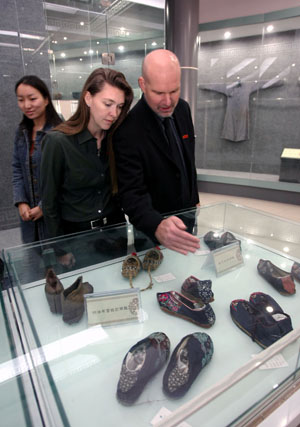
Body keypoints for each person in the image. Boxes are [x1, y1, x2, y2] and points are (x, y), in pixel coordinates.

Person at [40, 68, 133, 268]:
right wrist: (61, 249)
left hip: (115, 235)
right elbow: (49, 204)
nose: (114, 113)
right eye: (107, 104)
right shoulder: (58, 142)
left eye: (119, 106)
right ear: (88, 98)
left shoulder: (116, 139)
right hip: (77, 241)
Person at [113, 49, 200, 255]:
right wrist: (157, 225)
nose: (168, 102)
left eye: (174, 91)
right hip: (153, 231)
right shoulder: (127, 130)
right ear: (143, 85)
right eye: (159, 93)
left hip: (187, 216)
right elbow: (131, 193)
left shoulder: (183, 109)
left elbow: (188, 159)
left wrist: (193, 197)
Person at [12, 75, 62, 244]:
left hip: (55, 215)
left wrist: (44, 206)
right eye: (21, 100)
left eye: (32, 99)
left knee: (59, 262)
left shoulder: (60, 131)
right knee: (34, 263)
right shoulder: (22, 132)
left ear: (46, 99)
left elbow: (65, 176)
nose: (26, 105)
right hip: (29, 218)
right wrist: (21, 202)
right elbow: (17, 168)